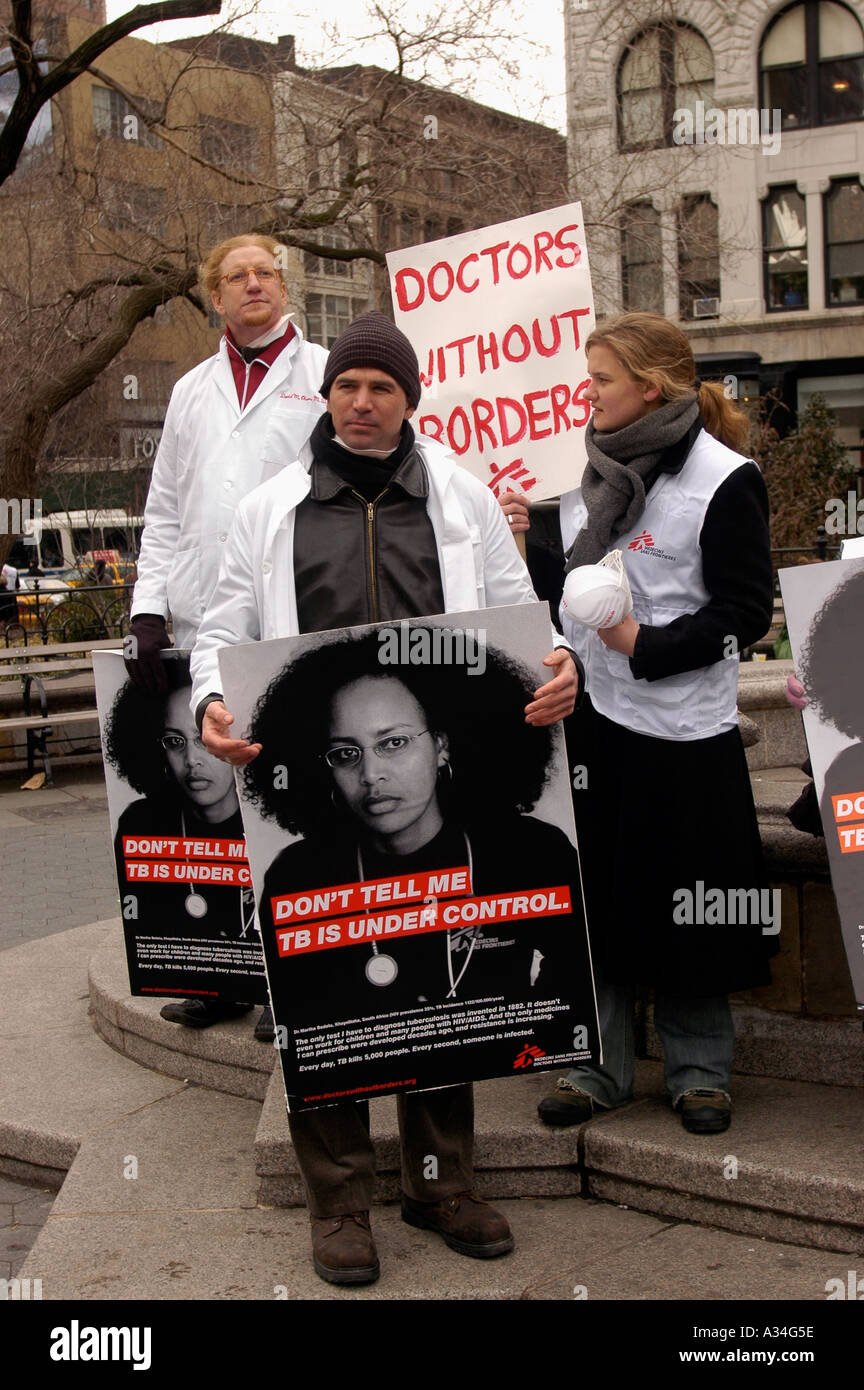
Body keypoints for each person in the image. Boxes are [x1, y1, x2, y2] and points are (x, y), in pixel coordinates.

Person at [189, 311, 581, 1284]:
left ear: (411, 401)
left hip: (429, 786)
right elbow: (222, 626)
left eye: (383, 389)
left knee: (441, 985)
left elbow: (513, 617)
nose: (361, 404)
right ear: (328, 399)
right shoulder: (271, 509)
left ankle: (441, 1183)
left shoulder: (460, 500)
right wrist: (207, 698)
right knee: (325, 988)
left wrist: (557, 660)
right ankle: (341, 1203)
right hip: (317, 791)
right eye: (347, 388)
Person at [537, 311, 775, 1137]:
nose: (587, 391)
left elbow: (748, 613)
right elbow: (553, 591)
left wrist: (644, 644)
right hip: (594, 725)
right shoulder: (577, 478)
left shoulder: (724, 478)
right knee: (596, 894)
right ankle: (596, 1065)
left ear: (651, 386)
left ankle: (700, 1071)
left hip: (684, 735)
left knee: (693, 902)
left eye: (600, 378)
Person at [125, 232, 328, 1032]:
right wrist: (148, 607)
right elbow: (167, 509)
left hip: (284, 618)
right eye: (237, 276)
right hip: (198, 621)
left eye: (266, 273)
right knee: (209, 811)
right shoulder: (190, 391)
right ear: (214, 296)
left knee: (287, 800)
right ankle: (220, 972)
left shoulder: (322, 378)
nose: (254, 285)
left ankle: (294, 982)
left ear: (283, 287)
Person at [244, 629, 591, 1029]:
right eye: (345, 753)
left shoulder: (531, 852)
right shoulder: (298, 877)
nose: (372, 774)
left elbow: (574, 971)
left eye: (394, 743)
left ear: (442, 745)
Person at [104, 658, 262, 1008]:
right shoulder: (141, 825)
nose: (192, 760)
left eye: (204, 739)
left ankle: (267, 997)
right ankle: (215, 992)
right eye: (175, 741)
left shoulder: (273, 826)